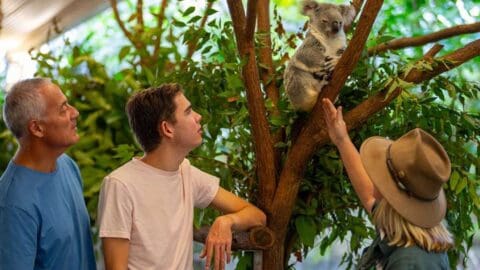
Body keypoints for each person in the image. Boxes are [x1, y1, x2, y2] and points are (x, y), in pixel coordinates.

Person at [97, 83, 266, 270]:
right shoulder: (120, 184)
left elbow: (257, 216)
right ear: (167, 129)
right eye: (188, 112)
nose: (198, 117)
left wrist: (226, 221)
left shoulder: (186, 172)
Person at [321, 98, 454, 269]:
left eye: (383, 179)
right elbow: (369, 195)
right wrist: (342, 140)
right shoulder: (402, 230)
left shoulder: (410, 262)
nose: (376, 184)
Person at [0, 78, 97, 269]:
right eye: (63, 109)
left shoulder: (67, 165)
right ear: (37, 128)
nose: (74, 112)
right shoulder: (13, 205)